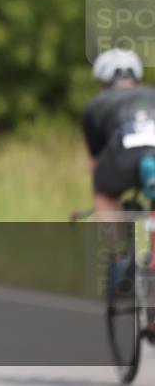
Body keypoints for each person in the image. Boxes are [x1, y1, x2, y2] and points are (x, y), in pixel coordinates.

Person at [82, 48, 155, 295]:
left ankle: (120, 257)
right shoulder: (152, 94)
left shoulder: (96, 106)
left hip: (123, 159)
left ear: (103, 82)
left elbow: (95, 161)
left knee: (103, 192)